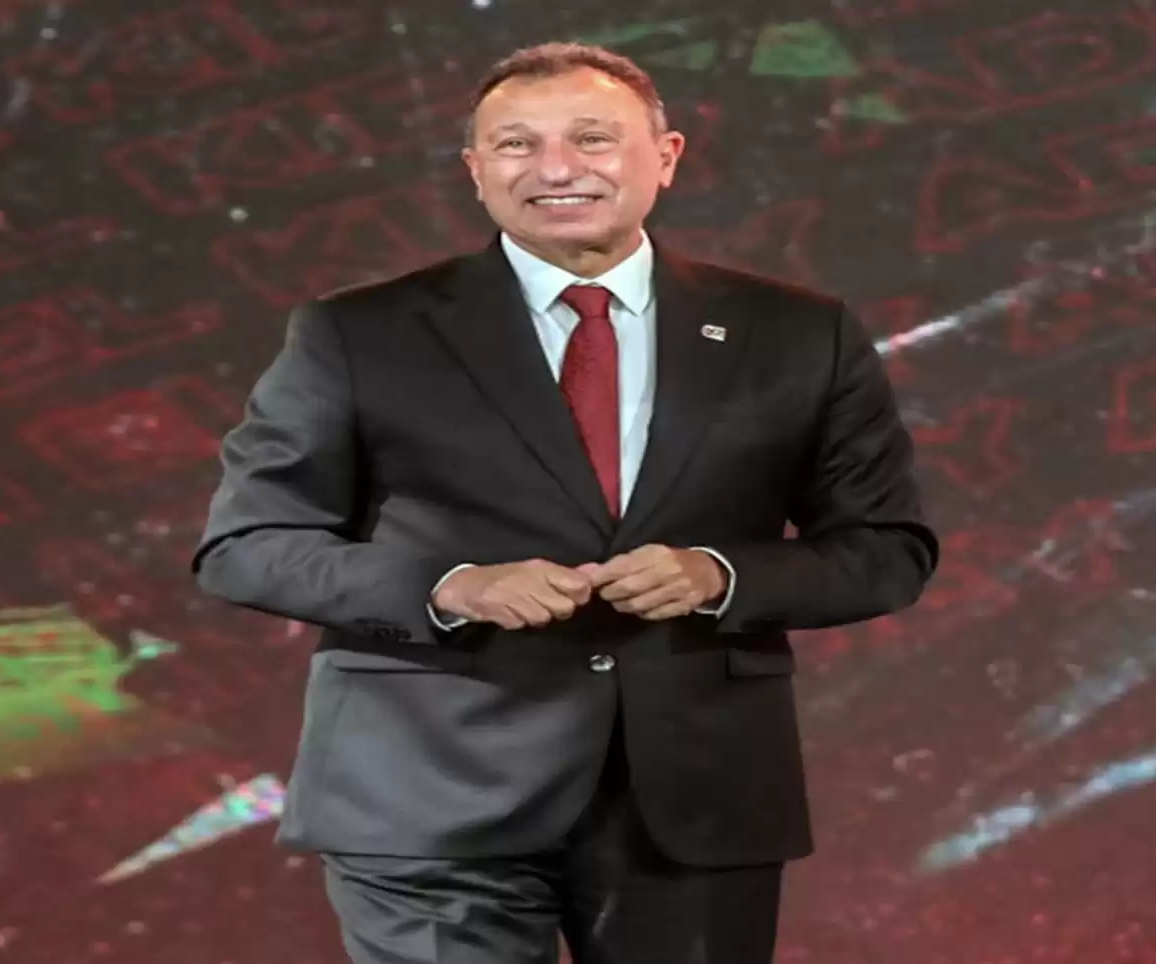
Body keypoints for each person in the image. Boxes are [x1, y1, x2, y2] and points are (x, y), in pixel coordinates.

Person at [192, 41, 939, 964]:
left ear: (666, 156)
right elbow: (249, 543)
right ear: (475, 171)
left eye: (592, 138)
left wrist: (720, 575)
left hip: (694, 802)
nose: (555, 169)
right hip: (427, 795)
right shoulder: (357, 332)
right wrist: (451, 587)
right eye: (516, 145)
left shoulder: (795, 332)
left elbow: (885, 549)